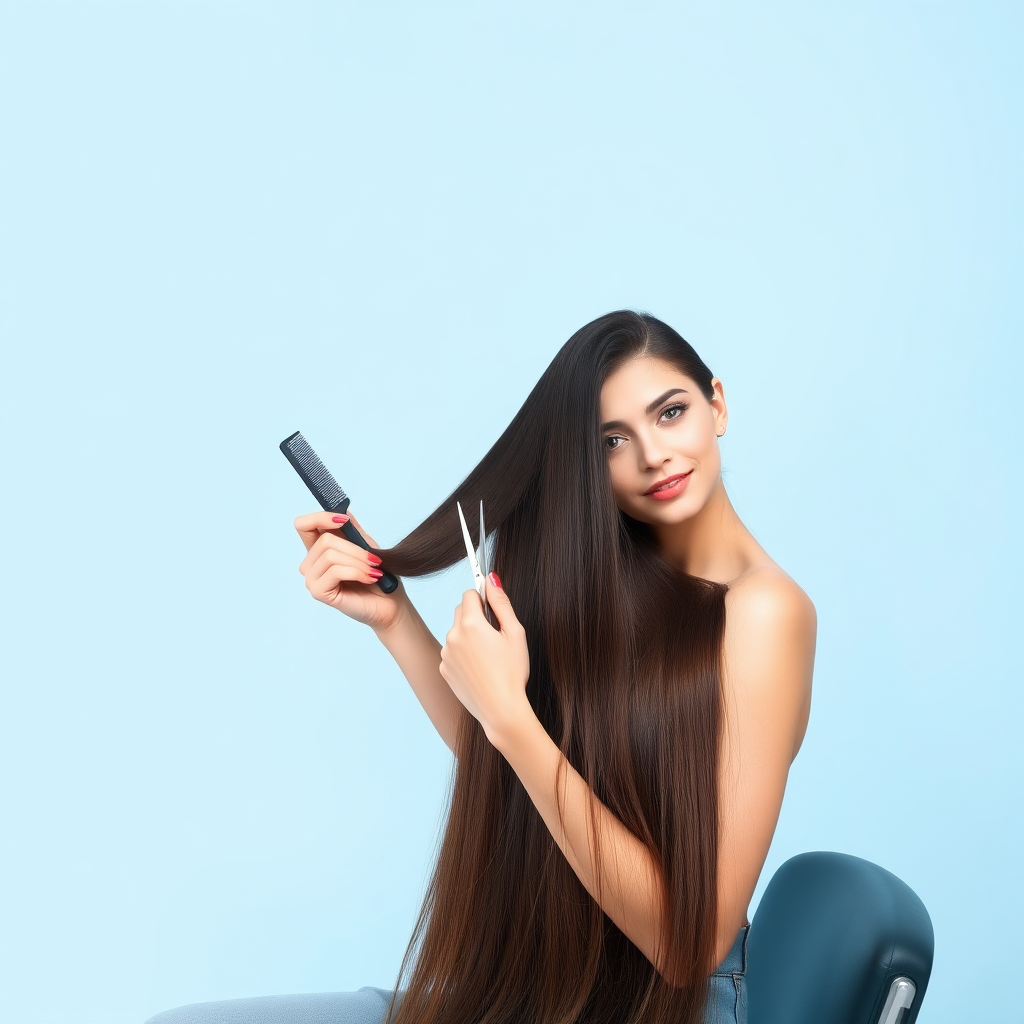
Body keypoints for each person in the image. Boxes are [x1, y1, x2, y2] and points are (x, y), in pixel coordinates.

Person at [146, 310, 816, 1024]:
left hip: (673, 1005)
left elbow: (691, 944)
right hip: (558, 989)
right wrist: (394, 618)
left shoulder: (766, 612)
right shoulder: (619, 581)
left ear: (717, 404)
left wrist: (510, 715)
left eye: (671, 413)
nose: (653, 454)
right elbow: (522, 778)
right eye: (612, 441)